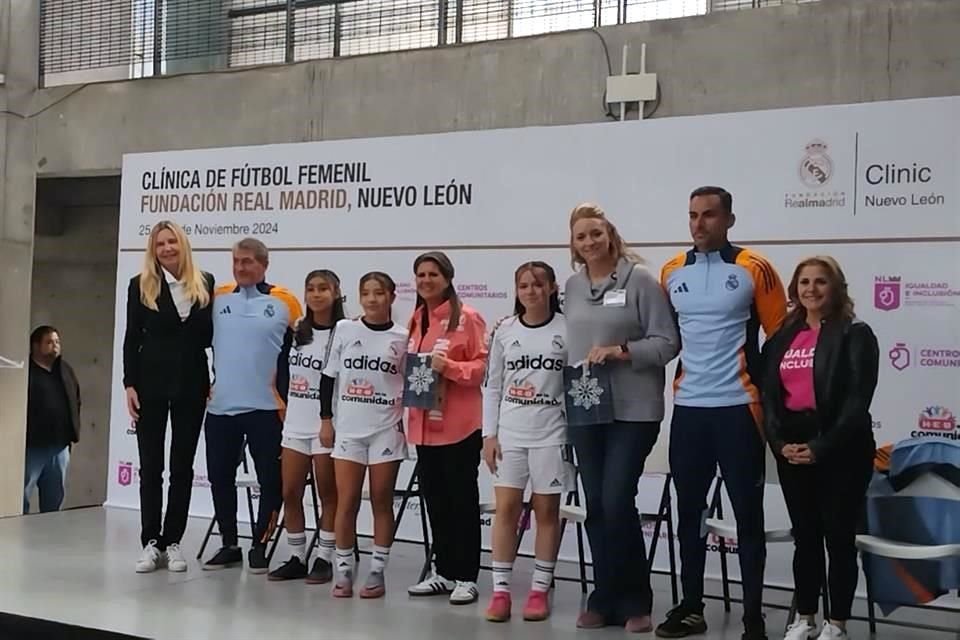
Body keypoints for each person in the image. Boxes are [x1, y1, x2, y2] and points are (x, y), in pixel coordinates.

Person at [657, 186, 787, 640]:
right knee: (688, 514)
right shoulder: (671, 272)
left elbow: (783, 339)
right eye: (693, 214)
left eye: (709, 215)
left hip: (739, 410)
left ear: (729, 219)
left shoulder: (754, 268)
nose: (699, 223)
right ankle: (691, 607)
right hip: (690, 411)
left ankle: (754, 618)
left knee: (747, 516)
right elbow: (668, 339)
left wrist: (769, 397)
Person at [564, 203, 680, 632]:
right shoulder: (573, 287)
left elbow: (668, 342)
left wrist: (622, 352)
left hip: (633, 411)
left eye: (596, 233)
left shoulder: (641, 281)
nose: (589, 242)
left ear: (610, 234)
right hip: (586, 407)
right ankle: (604, 596)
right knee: (595, 504)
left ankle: (635, 600)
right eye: (581, 237)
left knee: (616, 499)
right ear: (573, 245)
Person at [761, 257, 878, 640]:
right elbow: (770, 397)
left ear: (837, 287)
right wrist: (780, 444)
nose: (811, 289)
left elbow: (856, 403)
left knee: (838, 538)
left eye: (820, 282)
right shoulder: (782, 336)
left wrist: (821, 447)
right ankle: (806, 618)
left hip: (841, 449)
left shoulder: (855, 334)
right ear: (794, 289)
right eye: (804, 282)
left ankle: (837, 623)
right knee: (805, 537)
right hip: (793, 447)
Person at [202, 237, 302, 574]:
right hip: (221, 408)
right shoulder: (216, 298)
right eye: (236, 261)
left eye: (247, 261)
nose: (241, 267)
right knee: (219, 477)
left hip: (266, 409)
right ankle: (229, 543)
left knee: (270, 480)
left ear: (263, 264)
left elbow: (305, 350)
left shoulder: (285, 301)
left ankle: (260, 544)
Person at [122, 221, 214, 574]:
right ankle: (150, 541)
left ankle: (173, 541)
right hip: (150, 385)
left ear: (182, 244)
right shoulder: (141, 284)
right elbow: (132, 338)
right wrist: (130, 384)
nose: (166, 248)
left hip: (192, 384)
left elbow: (212, 337)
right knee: (151, 468)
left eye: (171, 241)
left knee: (182, 467)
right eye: (159, 243)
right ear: (153, 249)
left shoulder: (204, 283)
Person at [482, 261, 571, 623]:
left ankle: (539, 590)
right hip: (511, 435)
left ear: (552, 288)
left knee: (547, 513)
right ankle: (501, 591)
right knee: (506, 511)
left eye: (537, 285)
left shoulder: (568, 329)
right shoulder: (504, 330)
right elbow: (492, 386)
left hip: (552, 434)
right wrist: (490, 434)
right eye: (523, 286)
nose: (531, 291)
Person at [319, 272, 410, 599]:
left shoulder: (403, 336)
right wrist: (326, 420)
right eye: (366, 293)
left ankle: (376, 570)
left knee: (382, 500)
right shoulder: (345, 329)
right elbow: (328, 378)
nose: (372, 299)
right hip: (348, 430)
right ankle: (343, 570)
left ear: (391, 296)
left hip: (386, 429)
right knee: (347, 501)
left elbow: (413, 384)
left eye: (379, 293)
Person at [405, 251, 488, 605]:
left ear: (448, 277)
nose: (426, 281)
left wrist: (451, 367)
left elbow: (483, 368)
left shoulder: (467, 317)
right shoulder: (416, 317)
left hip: (459, 428)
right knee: (436, 503)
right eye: (420, 275)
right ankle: (443, 571)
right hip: (423, 428)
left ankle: (467, 576)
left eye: (433, 275)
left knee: (462, 503)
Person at [268, 270, 345, 584]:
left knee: (329, 493)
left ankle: (324, 558)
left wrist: (330, 420)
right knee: (290, 491)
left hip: (326, 425)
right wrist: (280, 400)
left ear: (336, 292)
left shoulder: (345, 332)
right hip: (295, 424)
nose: (316, 294)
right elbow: (281, 370)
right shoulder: (299, 329)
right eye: (310, 288)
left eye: (323, 288)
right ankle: (298, 556)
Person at [24, 326, 80, 514]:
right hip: (32, 447)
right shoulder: (25, 373)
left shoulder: (64, 370)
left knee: (54, 500)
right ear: (35, 346)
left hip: (59, 447)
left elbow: (75, 400)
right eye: (49, 342)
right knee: (21, 496)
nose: (55, 346)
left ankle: (50, 538)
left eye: (57, 342)